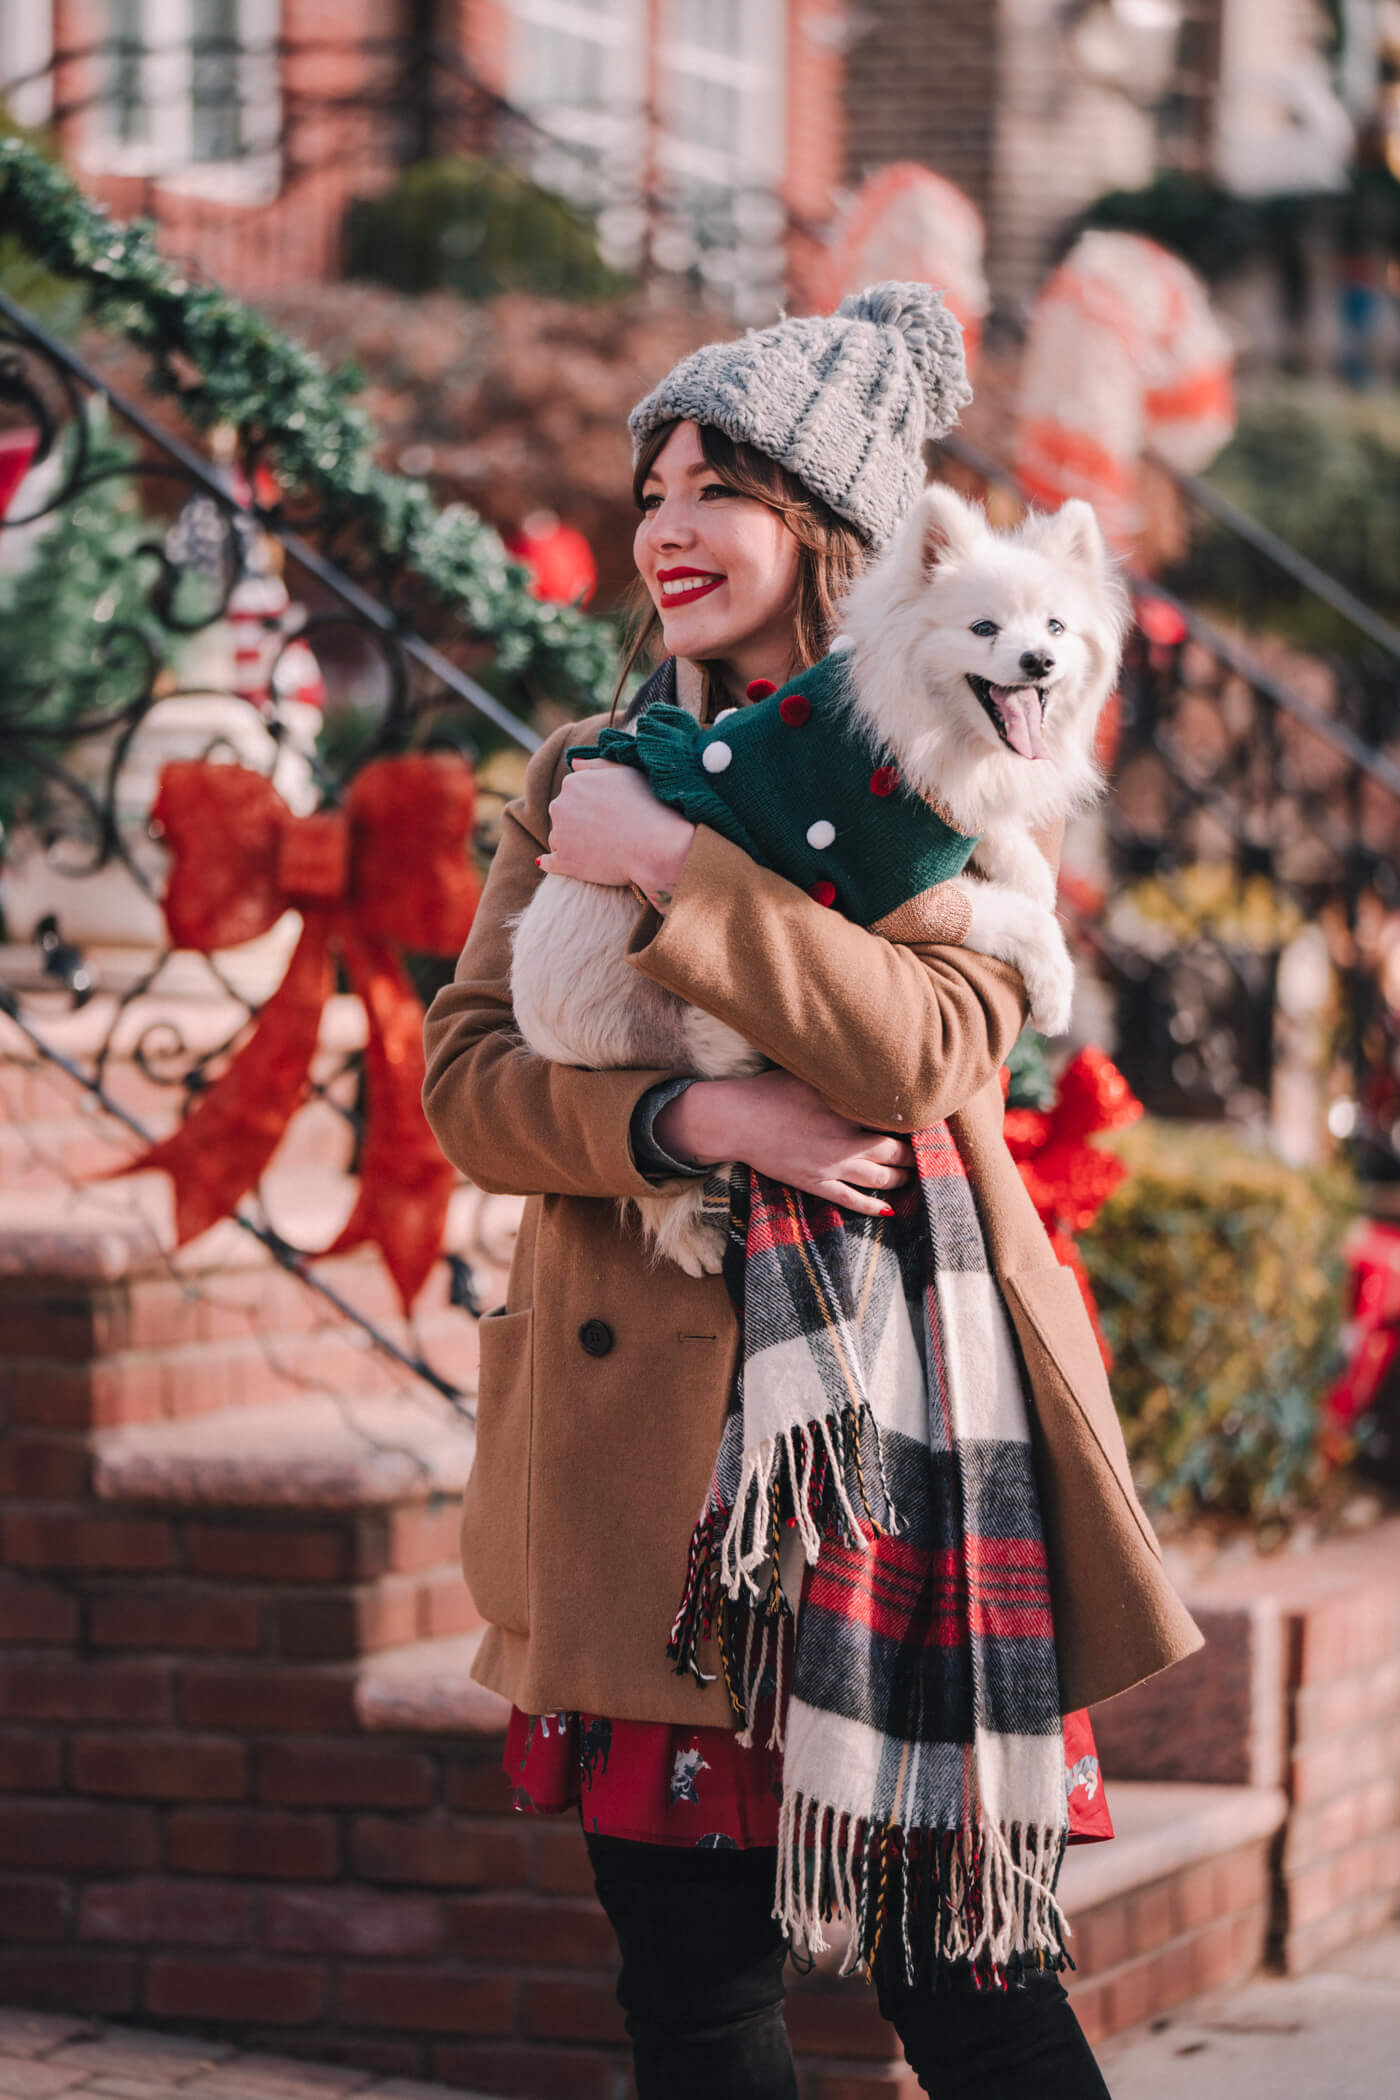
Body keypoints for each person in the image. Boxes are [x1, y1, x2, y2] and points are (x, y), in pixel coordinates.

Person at [422, 285, 1201, 2100]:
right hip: (648, 1473)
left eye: (724, 491)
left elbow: (935, 1051)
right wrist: (696, 1133)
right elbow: (471, 1081)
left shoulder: (954, 765)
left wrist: (688, 874)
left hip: (899, 1466)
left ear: (830, 530)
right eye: (655, 490)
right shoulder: (587, 772)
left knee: (971, 1993)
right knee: (692, 2006)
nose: (671, 530)